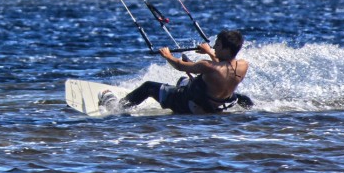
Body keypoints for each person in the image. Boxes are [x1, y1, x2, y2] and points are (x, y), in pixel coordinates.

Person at [102, 30, 253, 114]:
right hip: (221, 104)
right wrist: (209, 52)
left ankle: (118, 108)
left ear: (226, 49)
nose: (214, 47)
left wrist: (167, 55)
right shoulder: (243, 65)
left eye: (217, 45)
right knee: (183, 81)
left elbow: (180, 65)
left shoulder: (207, 66)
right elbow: (224, 67)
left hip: (192, 106)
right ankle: (252, 108)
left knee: (148, 87)